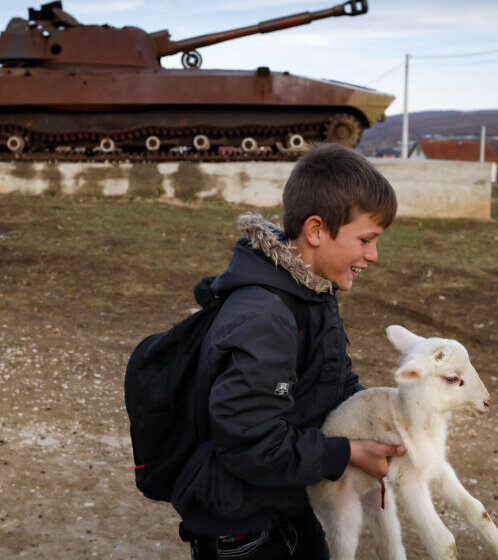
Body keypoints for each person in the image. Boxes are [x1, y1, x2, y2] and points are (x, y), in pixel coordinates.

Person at [172, 143, 406, 559]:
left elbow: (333, 384)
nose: (374, 255)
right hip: (243, 532)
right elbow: (249, 443)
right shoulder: (265, 317)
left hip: (286, 506)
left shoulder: (312, 292)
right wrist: (348, 452)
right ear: (316, 231)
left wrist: (384, 427)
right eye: (366, 239)